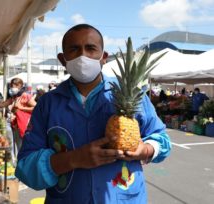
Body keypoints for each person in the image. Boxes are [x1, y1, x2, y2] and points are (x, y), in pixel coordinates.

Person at [15, 24, 171, 204]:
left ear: (103, 57)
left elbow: (162, 139)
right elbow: (25, 167)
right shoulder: (47, 104)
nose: (83, 56)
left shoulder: (133, 95)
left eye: (90, 48)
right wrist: (74, 159)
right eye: (74, 49)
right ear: (62, 59)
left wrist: (145, 150)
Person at [0, 78, 37, 150]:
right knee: (18, 147)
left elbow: (37, 108)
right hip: (16, 126)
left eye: (13, 86)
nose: (11, 88)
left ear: (19, 86)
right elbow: (1, 105)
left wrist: (21, 108)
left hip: (25, 126)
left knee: (24, 147)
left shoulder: (25, 96)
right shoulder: (14, 98)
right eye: (11, 86)